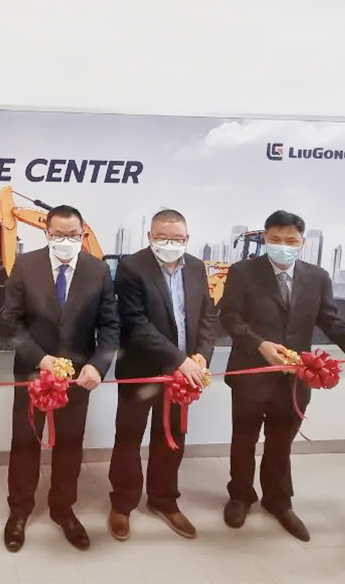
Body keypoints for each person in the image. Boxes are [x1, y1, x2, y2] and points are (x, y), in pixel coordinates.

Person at [220, 210, 345, 541]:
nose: (283, 246)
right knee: (243, 439)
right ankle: (240, 495)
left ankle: (278, 500)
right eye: (275, 240)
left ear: (302, 242)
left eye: (291, 241)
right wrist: (259, 345)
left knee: (280, 443)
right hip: (251, 372)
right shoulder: (243, 272)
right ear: (265, 238)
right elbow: (229, 317)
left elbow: (330, 321)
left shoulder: (317, 277)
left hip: (294, 379)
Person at [2, 205, 119, 552]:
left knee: (70, 444)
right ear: (46, 233)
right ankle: (19, 510)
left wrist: (98, 365)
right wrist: (40, 359)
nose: (66, 241)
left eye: (73, 235)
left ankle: (63, 508)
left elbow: (110, 326)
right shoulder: (26, 265)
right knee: (25, 442)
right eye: (59, 235)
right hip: (32, 371)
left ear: (82, 234)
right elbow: (10, 321)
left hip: (78, 377)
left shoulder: (98, 270)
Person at [109, 209, 217, 541]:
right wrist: (178, 359)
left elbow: (207, 316)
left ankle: (163, 500)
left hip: (184, 376)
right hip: (141, 371)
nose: (170, 244)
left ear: (187, 238)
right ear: (150, 237)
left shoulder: (196, 267)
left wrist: (201, 356)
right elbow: (136, 322)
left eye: (177, 239)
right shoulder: (132, 267)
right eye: (162, 238)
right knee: (128, 438)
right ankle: (123, 503)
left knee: (171, 438)